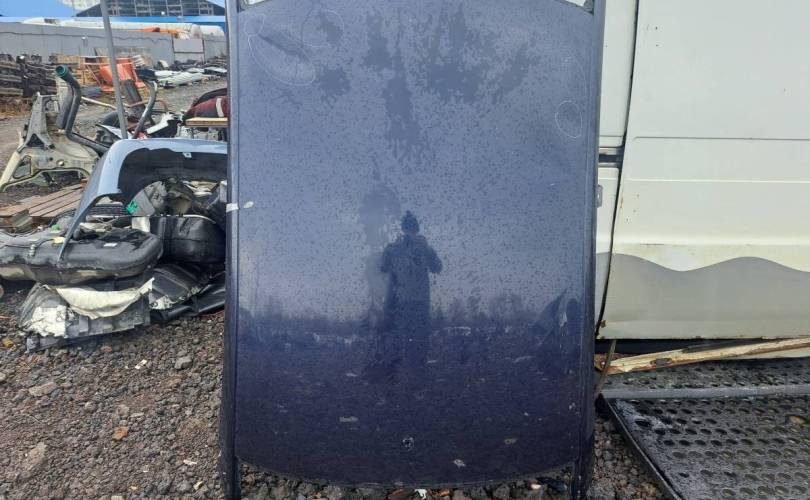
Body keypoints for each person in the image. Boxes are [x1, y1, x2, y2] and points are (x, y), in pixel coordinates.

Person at [378, 211, 442, 379]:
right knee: (418, 341)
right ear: (417, 228)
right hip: (418, 302)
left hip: (399, 302)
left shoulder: (393, 248)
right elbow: (437, 267)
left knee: (398, 339)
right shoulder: (422, 248)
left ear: (403, 228)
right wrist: (425, 249)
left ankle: (395, 374)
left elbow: (383, 267)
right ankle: (416, 375)